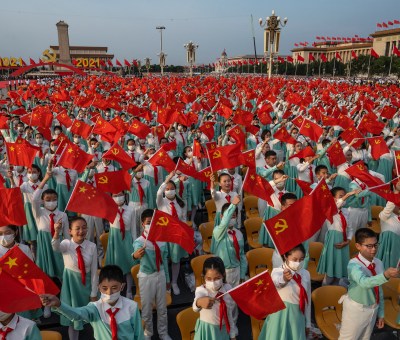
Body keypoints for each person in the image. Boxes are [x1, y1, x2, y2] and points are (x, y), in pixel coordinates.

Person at [40, 265, 144, 340]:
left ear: (122, 287)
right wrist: (59, 304)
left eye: (114, 288)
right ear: (99, 287)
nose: (109, 292)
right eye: (104, 288)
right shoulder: (95, 308)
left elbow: (138, 335)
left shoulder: (132, 306)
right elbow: (77, 314)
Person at [338, 228, 399, 340]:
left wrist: (380, 313)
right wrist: (385, 275)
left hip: (373, 309)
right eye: (369, 246)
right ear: (358, 246)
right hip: (356, 310)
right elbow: (364, 282)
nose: (373, 249)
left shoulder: (378, 262)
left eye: (376, 245)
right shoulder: (353, 265)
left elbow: (379, 290)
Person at [51, 217, 98, 340]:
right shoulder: (66, 244)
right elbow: (55, 247)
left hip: (86, 285)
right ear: (70, 231)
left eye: (84, 228)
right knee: (73, 317)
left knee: (91, 315)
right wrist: (56, 232)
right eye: (77, 228)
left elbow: (94, 272)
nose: (81, 231)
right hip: (71, 287)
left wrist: (93, 293)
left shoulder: (92, 246)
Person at [132, 209, 172, 340]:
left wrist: (167, 278)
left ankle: (163, 332)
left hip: (160, 275)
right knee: (147, 308)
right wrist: (135, 255)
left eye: (153, 222)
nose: (151, 224)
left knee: (162, 307)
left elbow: (164, 260)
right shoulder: (139, 242)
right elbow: (135, 255)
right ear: (143, 224)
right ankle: (147, 332)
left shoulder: (162, 240)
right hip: (146, 277)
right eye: (148, 222)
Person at [259, 244, 311, 340]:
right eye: (295, 259)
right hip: (279, 316)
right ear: (285, 256)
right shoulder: (277, 271)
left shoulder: (306, 274)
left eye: (301, 259)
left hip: (297, 317)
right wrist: (284, 279)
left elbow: (307, 300)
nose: (298, 262)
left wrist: (308, 323)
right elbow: (277, 282)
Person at [317, 187, 358, 285]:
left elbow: (350, 228)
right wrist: (348, 195)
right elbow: (337, 205)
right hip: (333, 239)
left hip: (344, 241)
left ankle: (334, 292)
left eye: (344, 195)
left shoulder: (346, 211)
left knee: (339, 273)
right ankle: (325, 291)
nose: (343, 198)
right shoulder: (329, 208)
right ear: (333, 198)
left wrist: (348, 240)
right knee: (330, 273)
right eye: (341, 196)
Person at [156, 172, 187, 296]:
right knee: (163, 259)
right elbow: (159, 193)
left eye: (172, 189)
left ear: (176, 190)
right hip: (163, 234)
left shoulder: (181, 203)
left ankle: (174, 282)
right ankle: (166, 283)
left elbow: (184, 219)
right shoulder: (161, 202)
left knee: (175, 259)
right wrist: (166, 181)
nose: (169, 191)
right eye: (167, 189)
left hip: (176, 234)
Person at [193, 257, 238, 340]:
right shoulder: (202, 290)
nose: (213, 282)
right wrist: (199, 302)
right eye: (209, 279)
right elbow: (195, 307)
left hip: (223, 330)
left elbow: (229, 314)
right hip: (207, 331)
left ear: (223, 274)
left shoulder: (227, 289)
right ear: (203, 276)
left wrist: (232, 334)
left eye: (217, 278)